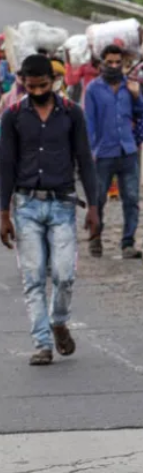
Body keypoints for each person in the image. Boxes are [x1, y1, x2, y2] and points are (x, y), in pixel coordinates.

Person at [0, 55, 100, 365]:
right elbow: (5, 165)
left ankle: (59, 321)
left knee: (63, 275)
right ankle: (42, 343)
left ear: (53, 82)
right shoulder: (12, 116)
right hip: (27, 205)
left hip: (62, 204)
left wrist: (94, 206)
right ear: (23, 83)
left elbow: (84, 159)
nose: (37, 90)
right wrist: (3, 212)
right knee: (32, 278)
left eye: (42, 85)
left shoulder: (72, 113)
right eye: (31, 86)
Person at [84, 43, 143, 259]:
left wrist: (137, 96)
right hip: (103, 153)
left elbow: (141, 113)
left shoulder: (130, 86)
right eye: (109, 62)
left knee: (131, 198)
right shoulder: (93, 89)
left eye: (117, 62)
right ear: (102, 63)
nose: (113, 66)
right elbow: (89, 122)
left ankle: (128, 242)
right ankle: (95, 237)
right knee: (98, 198)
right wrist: (90, 151)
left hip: (127, 150)